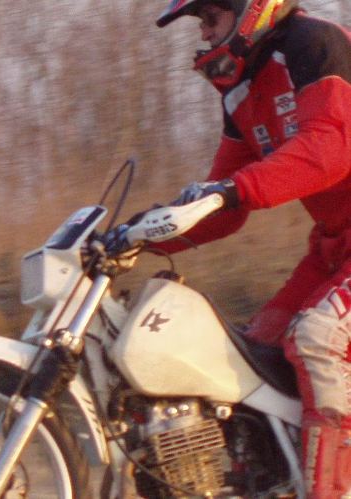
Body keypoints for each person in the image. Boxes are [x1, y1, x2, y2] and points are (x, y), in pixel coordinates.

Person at [119, 0, 351, 496]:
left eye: (210, 19)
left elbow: (330, 148)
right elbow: (222, 205)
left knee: (318, 338)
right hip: (334, 249)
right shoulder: (241, 94)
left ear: (250, 8)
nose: (203, 34)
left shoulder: (313, 44)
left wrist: (235, 188)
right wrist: (134, 236)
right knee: (249, 357)